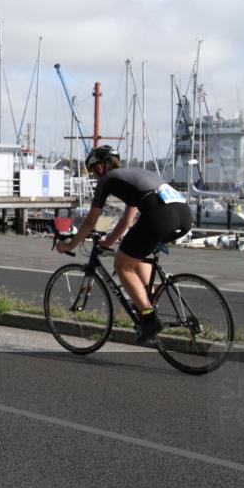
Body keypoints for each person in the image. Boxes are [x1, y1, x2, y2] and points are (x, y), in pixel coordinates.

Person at [57, 145, 192, 344]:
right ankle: (149, 300)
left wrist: (70, 245)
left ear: (101, 166)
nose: (94, 176)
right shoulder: (135, 175)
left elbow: (91, 221)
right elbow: (127, 220)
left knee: (122, 265)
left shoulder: (108, 180)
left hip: (160, 217)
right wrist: (108, 242)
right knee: (136, 256)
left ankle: (149, 319)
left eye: (93, 170)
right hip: (183, 215)